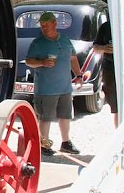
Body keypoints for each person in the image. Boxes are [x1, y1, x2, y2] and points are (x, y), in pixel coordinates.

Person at [25, 11, 86, 156]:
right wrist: (42, 62)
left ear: (55, 23)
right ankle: (43, 144)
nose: (44, 28)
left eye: (47, 24)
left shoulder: (65, 39)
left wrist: (78, 75)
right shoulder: (37, 43)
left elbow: (73, 58)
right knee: (45, 117)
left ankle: (66, 142)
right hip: (46, 88)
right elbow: (28, 61)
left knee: (65, 116)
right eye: (42, 25)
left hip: (65, 86)